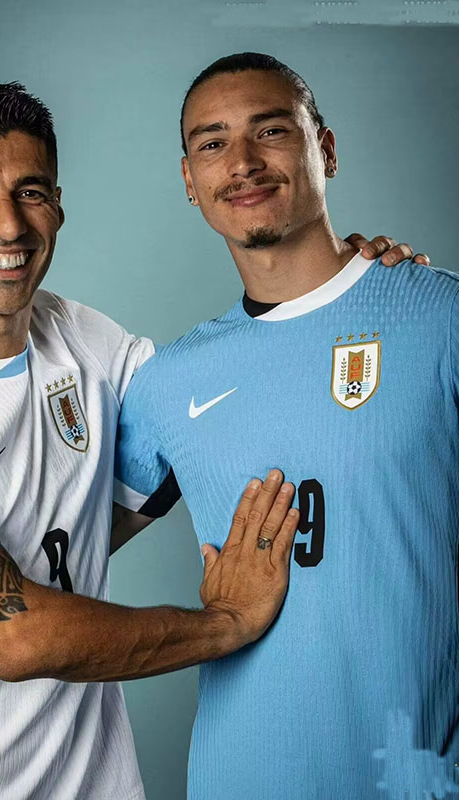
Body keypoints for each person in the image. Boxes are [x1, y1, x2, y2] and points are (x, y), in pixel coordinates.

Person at [0, 81, 421, 800]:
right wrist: (225, 625)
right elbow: (11, 637)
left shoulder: (89, 343)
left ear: (58, 204)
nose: (8, 224)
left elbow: (232, 398)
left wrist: (350, 288)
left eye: (30, 192)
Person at [114, 53, 459, 800]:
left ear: (324, 149)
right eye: (212, 143)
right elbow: (52, 541)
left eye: (271, 131)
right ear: (190, 181)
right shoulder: (170, 382)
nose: (242, 161)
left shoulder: (439, 316)